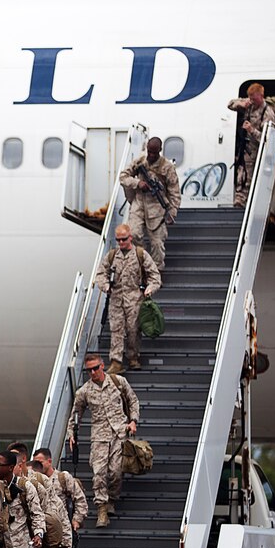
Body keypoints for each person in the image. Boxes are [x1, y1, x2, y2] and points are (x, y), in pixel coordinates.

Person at [66, 353, 140, 528]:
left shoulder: (118, 382)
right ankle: (101, 509)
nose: (92, 372)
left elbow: (133, 401)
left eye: (95, 368)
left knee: (115, 471)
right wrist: (71, 433)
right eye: (88, 370)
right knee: (98, 474)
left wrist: (133, 421)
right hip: (99, 437)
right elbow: (75, 414)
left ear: (102, 366)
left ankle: (111, 499)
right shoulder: (84, 391)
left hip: (119, 433)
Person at [95, 222, 161, 374]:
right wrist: (105, 286)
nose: (121, 243)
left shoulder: (140, 254)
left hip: (134, 298)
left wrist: (150, 289)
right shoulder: (112, 256)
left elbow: (155, 275)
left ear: (130, 237)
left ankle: (133, 357)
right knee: (116, 329)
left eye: (124, 239)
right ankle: (116, 361)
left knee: (133, 330)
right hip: (116, 298)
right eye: (118, 240)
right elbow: (100, 274)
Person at [120, 136, 181, 270]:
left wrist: (172, 211)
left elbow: (174, 192)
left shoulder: (167, 167)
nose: (151, 155)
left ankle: (157, 271)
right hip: (139, 204)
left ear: (160, 150)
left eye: (154, 152)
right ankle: (143, 264)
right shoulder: (140, 161)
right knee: (134, 234)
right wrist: (138, 183)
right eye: (149, 152)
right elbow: (123, 177)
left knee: (157, 243)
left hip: (157, 207)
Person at [227, 82, 275, 208]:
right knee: (242, 174)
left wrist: (251, 130)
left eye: (254, 99)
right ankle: (239, 202)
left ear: (261, 96)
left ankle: (246, 204)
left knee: (250, 178)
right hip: (245, 148)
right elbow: (230, 104)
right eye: (250, 98)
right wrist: (242, 104)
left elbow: (268, 138)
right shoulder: (249, 104)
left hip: (258, 150)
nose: (252, 101)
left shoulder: (268, 113)